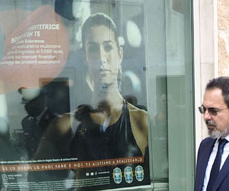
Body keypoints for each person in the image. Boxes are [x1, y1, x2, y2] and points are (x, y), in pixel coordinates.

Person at [35, 13, 149, 165]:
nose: (101, 57)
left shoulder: (142, 122)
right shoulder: (65, 126)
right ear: (85, 56)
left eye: (108, 47)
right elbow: (36, 176)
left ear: (120, 54)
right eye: (93, 49)